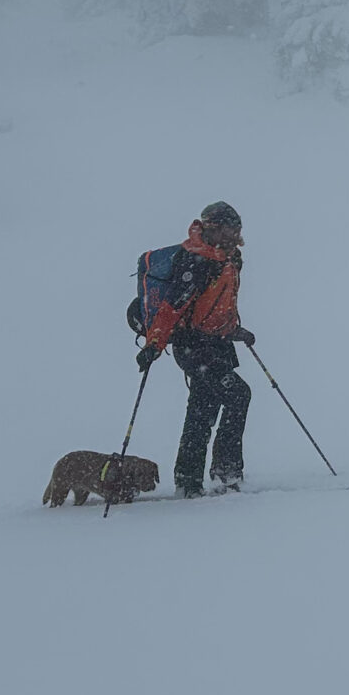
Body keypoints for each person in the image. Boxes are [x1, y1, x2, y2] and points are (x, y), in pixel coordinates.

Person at [129, 200, 258, 496]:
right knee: (238, 395)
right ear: (213, 228)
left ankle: (188, 480)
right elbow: (171, 307)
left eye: (236, 229)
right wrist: (153, 345)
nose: (234, 235)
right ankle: (225, 474)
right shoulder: (196, 261)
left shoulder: (230, 259)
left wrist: (236, 330)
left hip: (217, 344)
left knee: (203, 408)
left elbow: (217, 305)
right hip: (193, 347)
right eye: (229, 229)